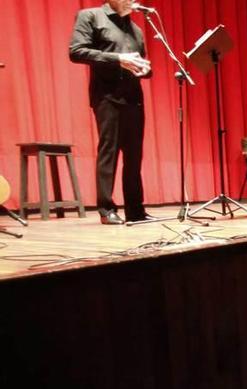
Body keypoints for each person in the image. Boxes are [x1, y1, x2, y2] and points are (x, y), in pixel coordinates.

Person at [69, 0, 153, 225]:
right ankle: (106, 209)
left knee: (134, 156)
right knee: (110, 152)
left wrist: (145, 69)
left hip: (134, 98)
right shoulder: (90, 16)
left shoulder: (135, 29)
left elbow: (141, 63)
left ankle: (136, 209)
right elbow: (76, 51)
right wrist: (118, 59)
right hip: (107, 97)